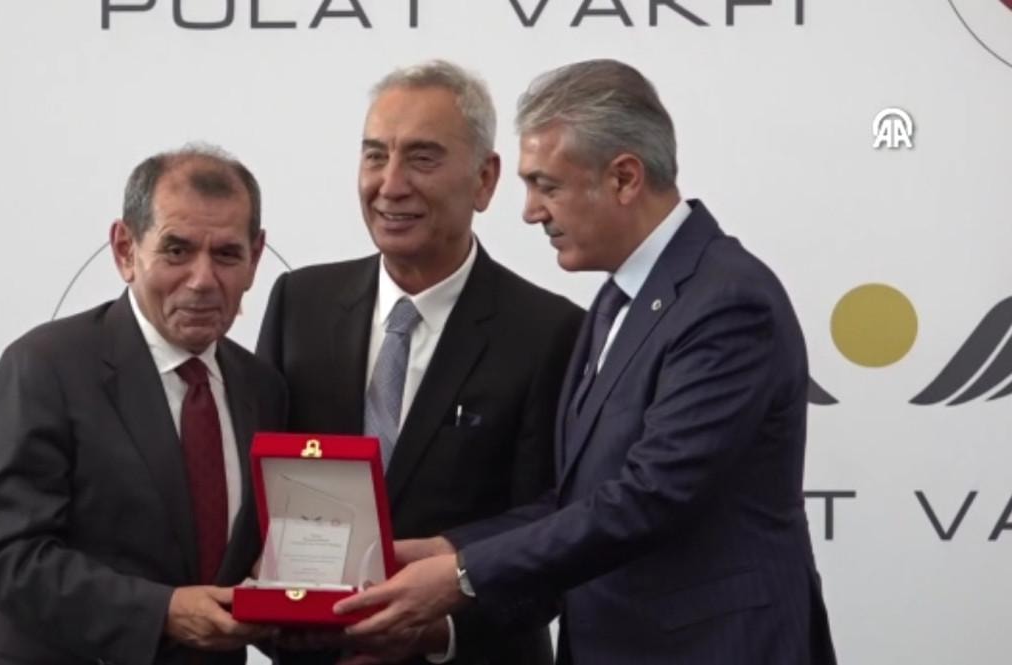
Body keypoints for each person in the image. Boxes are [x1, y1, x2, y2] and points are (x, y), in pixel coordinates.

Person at [336, 59, 838, 665]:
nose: (530, 211)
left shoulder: (727, 301)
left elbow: (649, 496)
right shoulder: (615, 300)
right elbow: (581, 499)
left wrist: (464, 574)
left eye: (547, 186)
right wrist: (449, 548)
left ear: (624, 178)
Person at [256, 60, 582, 664]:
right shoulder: (299, 303)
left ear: (485, 180)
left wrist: (436, 631)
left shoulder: (550, 332)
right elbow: (265, 503)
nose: (391, 184)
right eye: (375, 156)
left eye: (422, 158)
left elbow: (554, 537)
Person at [0, 145, 285, 665]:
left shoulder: (263, 389)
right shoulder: (43, 369)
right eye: (177, 251)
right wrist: (162, 612)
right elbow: (7, 556)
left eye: (226, 255)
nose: (202, 280)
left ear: (255, 259)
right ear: (126, 250)